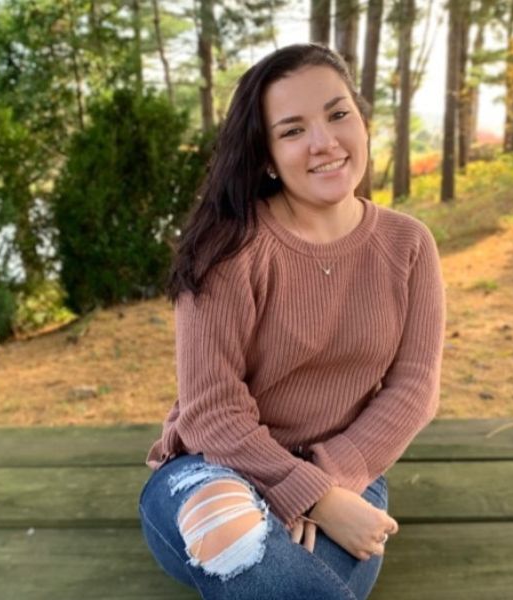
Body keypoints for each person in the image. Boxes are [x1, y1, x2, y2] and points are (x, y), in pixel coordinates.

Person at [138, 43, 445, 600]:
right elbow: (212, 411)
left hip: (348, 468)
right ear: (265, 157)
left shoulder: (409, 245)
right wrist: (312, 497)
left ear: (362, 119)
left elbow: (414, 389)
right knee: (232, 534)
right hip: (213, 472)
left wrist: (328, 483)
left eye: (337, 114)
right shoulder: (228, 248)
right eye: (292, 130)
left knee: (288, 580)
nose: (324, 143)